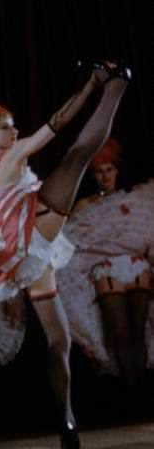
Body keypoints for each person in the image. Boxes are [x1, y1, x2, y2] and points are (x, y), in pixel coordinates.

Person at [0, 62, 131, 449]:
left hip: (28, 255)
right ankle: (116, 88)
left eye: (12, 125)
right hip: (36, 225)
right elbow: (56, 124)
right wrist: (91, 84)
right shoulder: (11, 155)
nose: (14, 131)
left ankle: (65, 415)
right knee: (79, 153)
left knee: (58, 340)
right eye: (5, 127)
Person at [58, 139, 153, 396]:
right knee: (119, 332)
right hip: (106, 269)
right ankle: (130, 390)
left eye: (109, 170)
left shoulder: (134, 198)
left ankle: (143, 392)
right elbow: (70, 240)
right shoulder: (86, 205)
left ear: (117, 170)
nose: (105, 176)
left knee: (138, 330)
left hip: (136, 266)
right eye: (100, 172)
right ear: (93, 175)